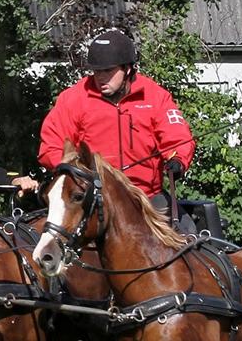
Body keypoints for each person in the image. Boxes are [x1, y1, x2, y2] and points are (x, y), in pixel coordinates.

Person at [38, 29, 196, 229]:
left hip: (146, 197)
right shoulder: (73, 99)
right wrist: (77, 171)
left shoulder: (155, 97)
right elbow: (51, 147)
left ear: (128, 69)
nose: (101, 78)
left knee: (191, 235)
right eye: (97, 71)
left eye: (109, 71)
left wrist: (177, 159)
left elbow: (177, 137)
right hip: (92, 199)